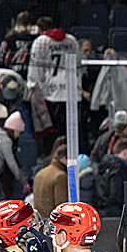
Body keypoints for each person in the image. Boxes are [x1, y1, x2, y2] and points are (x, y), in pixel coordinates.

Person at [27, 16, 77, 152]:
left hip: (50, 92)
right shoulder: (72, 40)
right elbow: (79, 64)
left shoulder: (41, 41)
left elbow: (35, 67)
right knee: (69, 131)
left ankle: (52, 155)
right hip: (69, 91)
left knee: (52, 131)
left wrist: (32, 86)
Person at [94, 138, 127, 217]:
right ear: (125, 152)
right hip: (115, 211)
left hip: (103, 209)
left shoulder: (104, 165)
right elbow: (116, 192)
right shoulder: (118, 168)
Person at [32, 144, 69, 218]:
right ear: (63, 159)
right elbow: (61, 204)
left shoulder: (39, 173)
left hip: (39, 218)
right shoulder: (60, 176)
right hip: (52, 220)